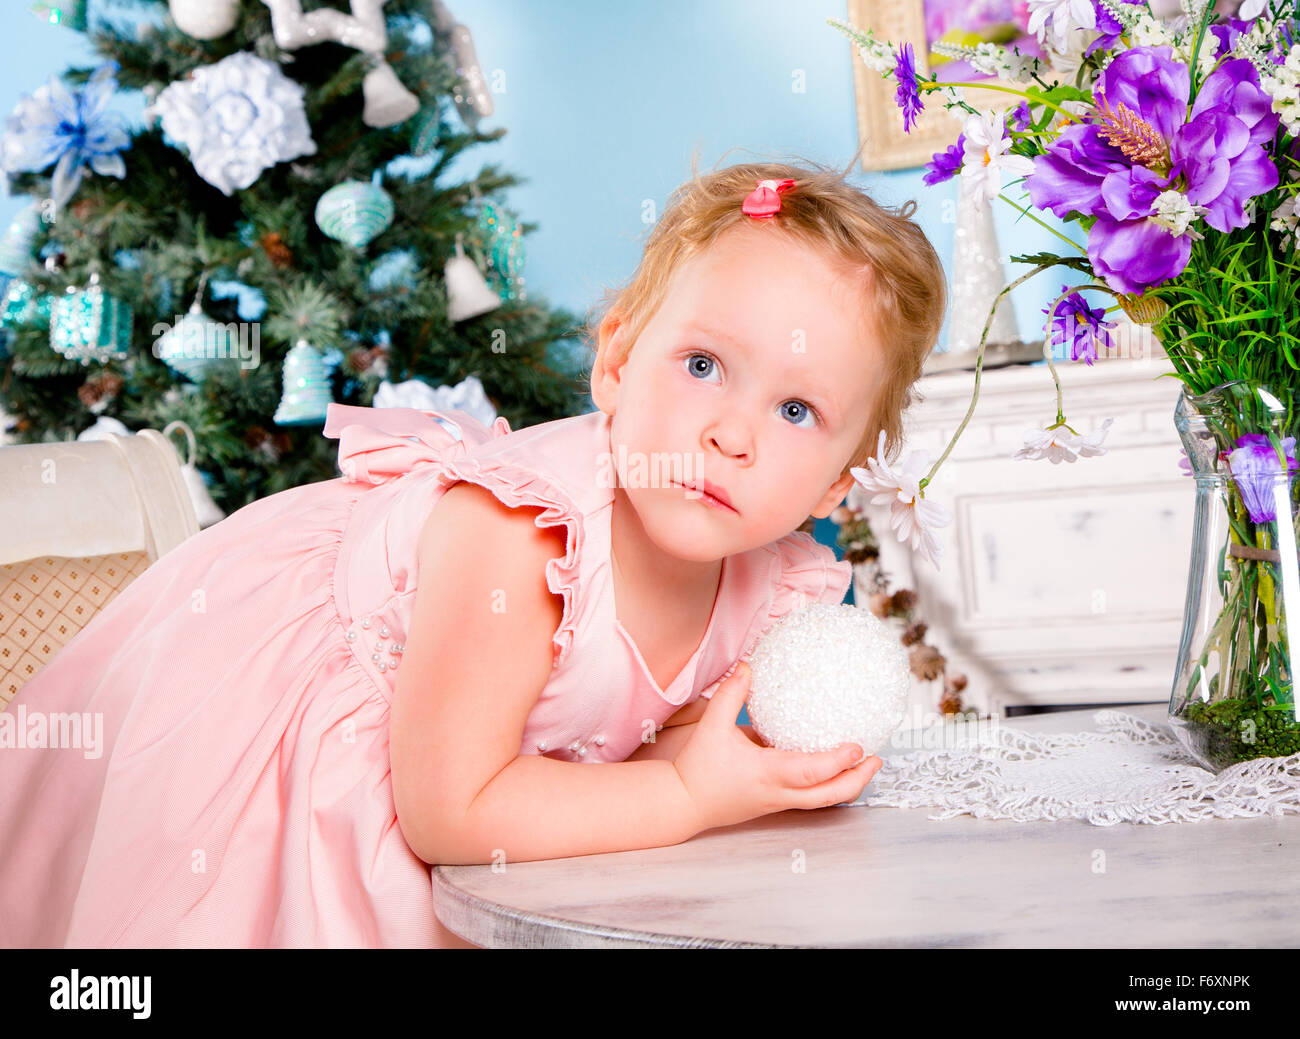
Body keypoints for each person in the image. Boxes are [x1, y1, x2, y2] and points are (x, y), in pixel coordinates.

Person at [0, 159, 947, 948]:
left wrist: (739, 760)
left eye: (796, 411)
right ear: (616, 365)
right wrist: (687, 791)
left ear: (835, 486)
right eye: (702, 365)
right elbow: (452, 808)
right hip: (302, 739)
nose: (732, 435)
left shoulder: (770, 582)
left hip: (483, 780)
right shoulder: (520, 534)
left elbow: (640, 740)